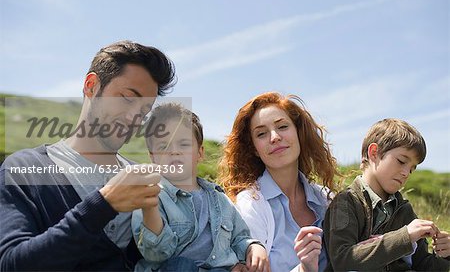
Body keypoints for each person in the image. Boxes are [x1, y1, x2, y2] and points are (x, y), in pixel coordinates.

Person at [0, 40, 177, 270]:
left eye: (144, 111)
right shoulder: (23, 169)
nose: (135, 117)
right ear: (91, 86)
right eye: (127, 98)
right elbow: (11, 265)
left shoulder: (145, 182)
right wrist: (104, 204)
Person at [131, 103, 269, 272]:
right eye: (163, 146)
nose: (174, 152)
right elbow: (156, 254)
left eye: (183, 144)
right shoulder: (152, 196)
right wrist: (150, 208)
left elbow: (239, 237)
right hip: (174, 268)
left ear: (200, 153)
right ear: (152, 157)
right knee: (182, 266)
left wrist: (253, 247)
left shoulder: (220, 199)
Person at [218, 92, 337, 272]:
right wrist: (304, 269)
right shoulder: (250, 203)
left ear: (298, 133)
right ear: (255, 149)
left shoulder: (326, 199)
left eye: (282, 126)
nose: (274, 137)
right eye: (261, 134)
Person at [323, 118, 450, 271]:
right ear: (374, 153)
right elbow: (342, 260)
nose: (406, 173)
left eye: (411, 169)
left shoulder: (404, 210)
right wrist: (404, 237)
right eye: (402, 161)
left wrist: (444, 255)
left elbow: (423, 265)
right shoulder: (346, 202)